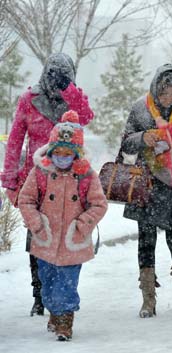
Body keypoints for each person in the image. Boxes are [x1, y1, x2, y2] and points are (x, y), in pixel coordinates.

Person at [1, 53, 94, 317]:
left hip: (69, 180)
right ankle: (39, 293)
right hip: (37, 178)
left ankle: (61, 291)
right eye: (54, 73)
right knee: (37, 233)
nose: (57, 79)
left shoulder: (74, 98)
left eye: (65, 74)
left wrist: (68, 88)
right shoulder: (29, 100)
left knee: (65, 235)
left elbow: (86, 116)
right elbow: (15, 142)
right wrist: (10, 180)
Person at [18, 110, 107, 341]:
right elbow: (26, 199)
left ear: (76, 153)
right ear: (51, 150)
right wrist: (37, 223)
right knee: (47, 286)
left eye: (68, 152)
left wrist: (82, 225)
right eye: (58, 151)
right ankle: (54, 312)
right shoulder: (41, 172)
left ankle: (65, 321)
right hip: (45, 238)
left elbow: (99, 205)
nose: (62, 156)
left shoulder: (86, 176)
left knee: (67, 284)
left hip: (72, 241)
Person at [119, 64, 172, 318]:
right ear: (156, 89)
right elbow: (126, 143)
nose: (169, 99)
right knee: (147, 239)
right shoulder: (141, 109)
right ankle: (148, 297)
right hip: (146, 184)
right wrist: (144, 137)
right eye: (165, 94)